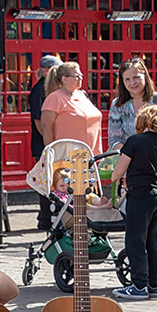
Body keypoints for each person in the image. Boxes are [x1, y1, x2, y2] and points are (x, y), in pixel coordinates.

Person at [110, 105, 157, 300]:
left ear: (142, 121)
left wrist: (117, 178)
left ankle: (139, 286)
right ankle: (156, 284)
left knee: (135, 240)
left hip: (139, 197)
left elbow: (118, 171)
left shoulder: (134, 141)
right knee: (152, 242)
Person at [40, 61, 103, 157]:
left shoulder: (82, 94)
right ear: (64, 79)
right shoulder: (55, 98)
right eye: (77, 76)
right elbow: (47, 128)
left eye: (81, 75)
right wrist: (51, 155)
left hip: (92, 155)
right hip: (67, 157)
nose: (81, 78)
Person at [31, 55, 63, 230]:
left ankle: (50, 215)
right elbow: (39, 122)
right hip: (43, 144)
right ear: (45, 71)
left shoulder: (51, 90)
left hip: (49, 143)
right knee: (45, 181)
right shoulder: (39, 91)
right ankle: (45, 218)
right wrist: (49, 143)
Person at [108, 58, 157, 151]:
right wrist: (131, 153)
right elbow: (114, 139)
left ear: (145, 76)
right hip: (131, 160)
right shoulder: (117, 104)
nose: (132, 82)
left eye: (136, 77)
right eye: (127, 79)